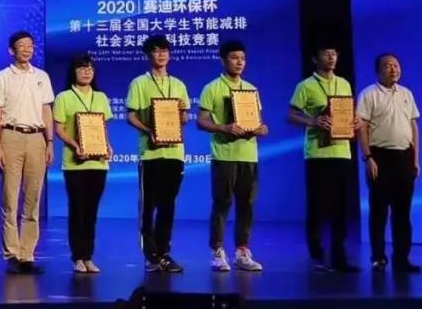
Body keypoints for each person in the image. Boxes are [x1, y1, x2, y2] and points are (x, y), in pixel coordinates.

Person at [288, 42, 363, 272]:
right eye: (326, 53)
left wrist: (355, 121)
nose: (331, 57)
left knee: (341, 207)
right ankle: (317, 255)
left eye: (334, 53)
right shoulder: (306, 85)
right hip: (318, 153)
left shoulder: (344, 83)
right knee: (318, 206)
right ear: (315, 58)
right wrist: (313, 121)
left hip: (342, 151)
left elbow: (348, 112)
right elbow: (292, 115)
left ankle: (339, 256)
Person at [196, 40, 266, 273]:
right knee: (222, 203)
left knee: (247, 205)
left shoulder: (251, 89)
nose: (239, 62)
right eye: (234, 58)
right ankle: (217, 251)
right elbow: (201, 121)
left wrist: (260, 128)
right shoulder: (212, 88)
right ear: (223, 60)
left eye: (243, 58)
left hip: (249, 155)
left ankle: (242, 252)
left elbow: (254, 120)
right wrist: (223, 128)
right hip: (224, 154)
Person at [0, 30, 55, 274]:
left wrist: (50, 141)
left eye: (30, 45)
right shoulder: (2, 77)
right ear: (12, 50)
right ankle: (12, 254)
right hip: (11, 136)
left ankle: (27, 254)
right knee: (9, 199)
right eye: (22, 45)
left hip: (37, 138)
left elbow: (46, 110)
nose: (27, 49)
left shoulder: (42, 76)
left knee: (33, 199)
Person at [125, 34, 189, 273]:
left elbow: (184, 117)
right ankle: (150, 255)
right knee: (148, 206)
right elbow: (131, 116)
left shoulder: (179, 85)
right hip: (150, 154)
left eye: (164, 50)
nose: (161, 55)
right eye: (155, 50)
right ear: (148, 54)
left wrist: (181, 115)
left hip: (174, 152)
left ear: (169, 54)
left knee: (168, 205)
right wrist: (149, 130)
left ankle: (164, 253)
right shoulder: (139, 83)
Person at [357, 52, 422, 272]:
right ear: (378, 71)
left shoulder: (406, 93)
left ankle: (402, 259)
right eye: (388, 66)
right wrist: (368, 157)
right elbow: (362, 127)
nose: (393, 69)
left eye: (396, 65)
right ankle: (378, 258)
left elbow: (413, 127)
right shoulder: (369, 94)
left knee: (403, 213)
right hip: (380, 157)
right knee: (379, 211)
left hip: (404, 157)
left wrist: (415, 159)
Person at [53, 52, 112, 274]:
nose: (87, 72)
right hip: (75, 163)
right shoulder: (64, 97)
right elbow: (59, 129)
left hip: (98, 163)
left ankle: (88, 256)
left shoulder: (101, 97)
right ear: (73, 72)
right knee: (77, 210)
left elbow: (102, 127)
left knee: (91, 211)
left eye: (90, 68)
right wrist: (75, 144)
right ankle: (77, 257)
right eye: (81, 68)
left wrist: (107, 145)